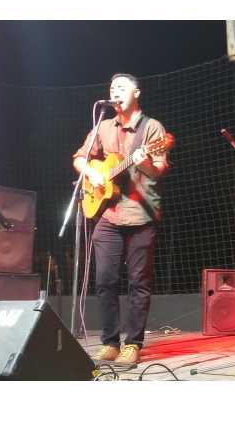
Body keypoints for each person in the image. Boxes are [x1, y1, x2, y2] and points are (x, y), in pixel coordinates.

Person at [72, 73, 169, 366]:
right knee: (105, 280)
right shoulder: (102, 126)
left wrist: (146, 163)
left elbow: (160, 169)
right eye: (112, 87)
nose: (115, 91)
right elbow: (79, 159)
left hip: (141, 214)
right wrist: (94, 174)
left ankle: (133, 343)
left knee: (139, 282)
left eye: (121, 87)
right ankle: (110, 342)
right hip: (108, 214)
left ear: (136, 93)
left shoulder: (152, 128)